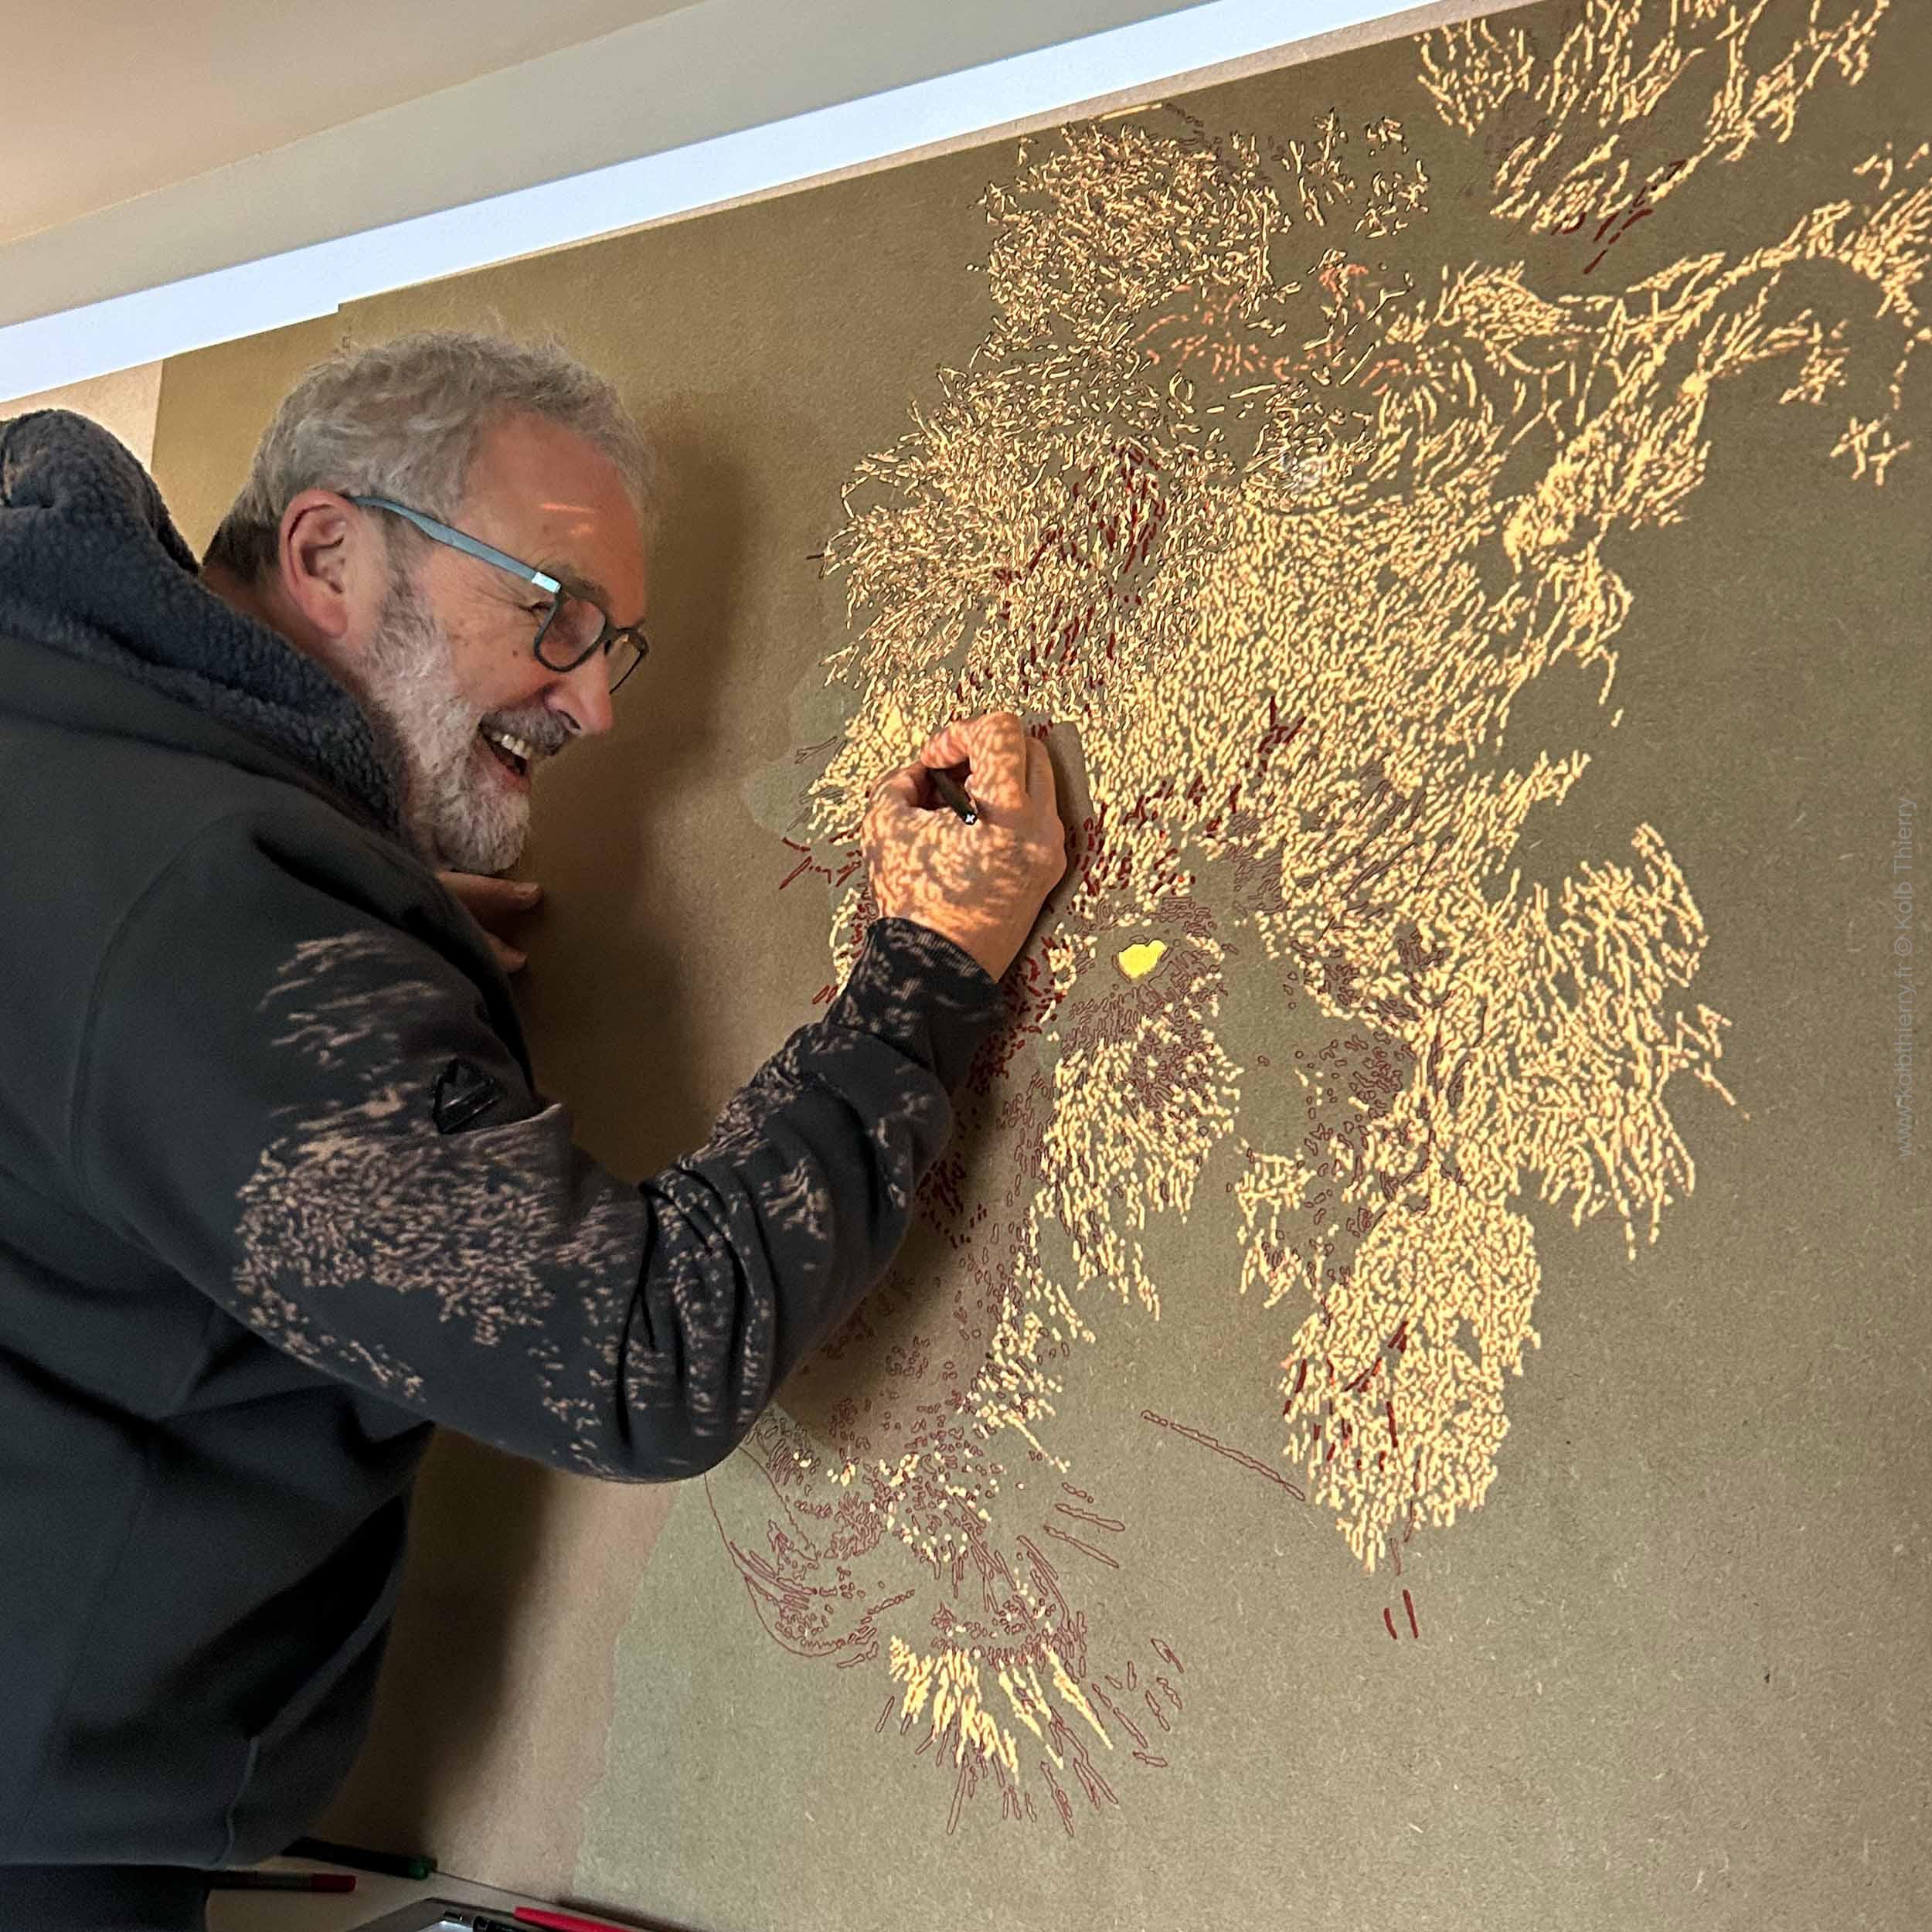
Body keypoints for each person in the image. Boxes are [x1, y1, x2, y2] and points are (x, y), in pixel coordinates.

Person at [0, 329, 1066, 1931]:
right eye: (553, 613)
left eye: (613, 645)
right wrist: (929, 969)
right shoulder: (215, 907)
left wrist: (345, 923)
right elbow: (642, 1352)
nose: (596, 702)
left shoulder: (71, 753)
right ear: (328, 552)